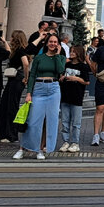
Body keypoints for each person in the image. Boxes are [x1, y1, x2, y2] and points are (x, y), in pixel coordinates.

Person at [14, 32, 65, 160]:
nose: (53, 44)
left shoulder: (60, 58)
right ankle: (22, 148)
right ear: (46, 43)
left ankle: (40, 149)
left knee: (49, 122)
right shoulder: (39, 58)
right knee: (32, 121)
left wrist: (58, 55)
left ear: (58, 44)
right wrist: (29, 93)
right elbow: (32, 76)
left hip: (54, 89)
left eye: (55, 42)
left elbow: (60, 71)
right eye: (51, 41)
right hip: (39, 88)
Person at [0, 30, 29, 143]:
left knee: (11, 106)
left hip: (17, 78)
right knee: (6, 104)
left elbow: (25, 63)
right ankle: (4, 133)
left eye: (12, 37)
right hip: (14, 79)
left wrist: (26, 77)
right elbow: (9, 51)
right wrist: (4, 41)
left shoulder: (20, 50)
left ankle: (11, 134)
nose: (11, 39)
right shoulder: (17, 50)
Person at [58, 45, 91, 152]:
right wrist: (62, 78)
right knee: (64, 121)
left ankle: (75, 143)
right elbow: (61, 76)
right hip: (65, 96)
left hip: (77, 97)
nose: (71, 53)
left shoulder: (83, 66)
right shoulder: (66, 64)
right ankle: (65, 141)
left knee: (76, 123)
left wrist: (76, 78)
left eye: (74, 51)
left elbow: (87, 81)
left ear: (79, 53)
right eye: (71, 51)